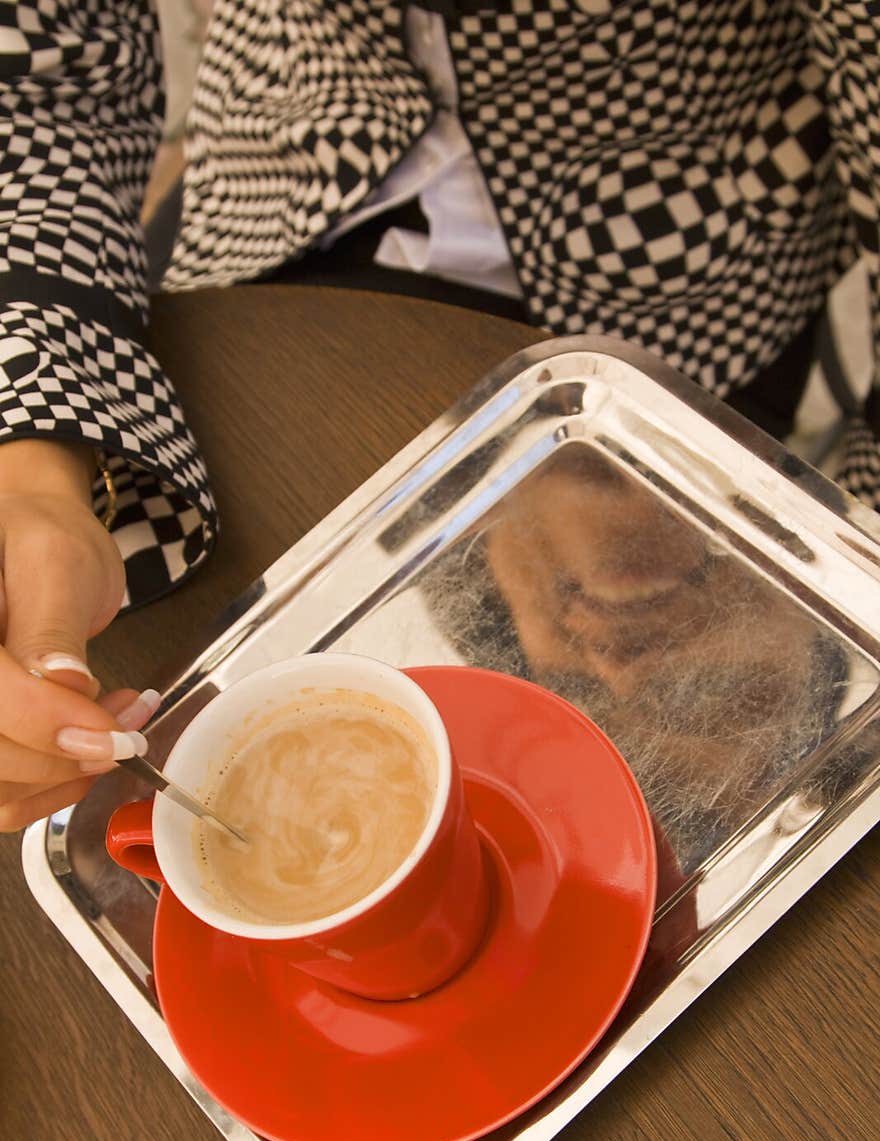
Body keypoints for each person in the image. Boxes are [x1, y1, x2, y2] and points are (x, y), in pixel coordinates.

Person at [0, 0, 878, 833]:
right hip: (276, 193)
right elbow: (40, 68)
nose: (617, 665)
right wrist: (30, 466)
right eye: (707, 697)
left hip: (689, 273)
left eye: (579, 702)